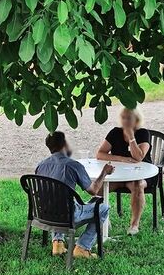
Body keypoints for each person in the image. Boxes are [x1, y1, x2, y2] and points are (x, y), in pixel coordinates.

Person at [35, 131, 114, 259]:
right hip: (68, 217)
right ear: (64, 144)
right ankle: (82, 248)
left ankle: (58, 243)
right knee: (103, 208)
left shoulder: (41, 165)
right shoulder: (73, 165)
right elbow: (93, 190)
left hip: (44, 214)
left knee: (57, 201)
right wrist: (104, 172)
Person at [95, 107, 152, 235]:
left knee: (137, 185)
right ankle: (103, 218)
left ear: (136, 119)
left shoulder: (143, 133)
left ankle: (134, 225)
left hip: (141, 174)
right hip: (119, 174)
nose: (125, 121)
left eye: (129, 118)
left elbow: (138, 157)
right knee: (98, 188)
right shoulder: (115, 132)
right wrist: (122, 159)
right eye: (123, 118)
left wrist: (131, 137)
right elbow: (100, 154)